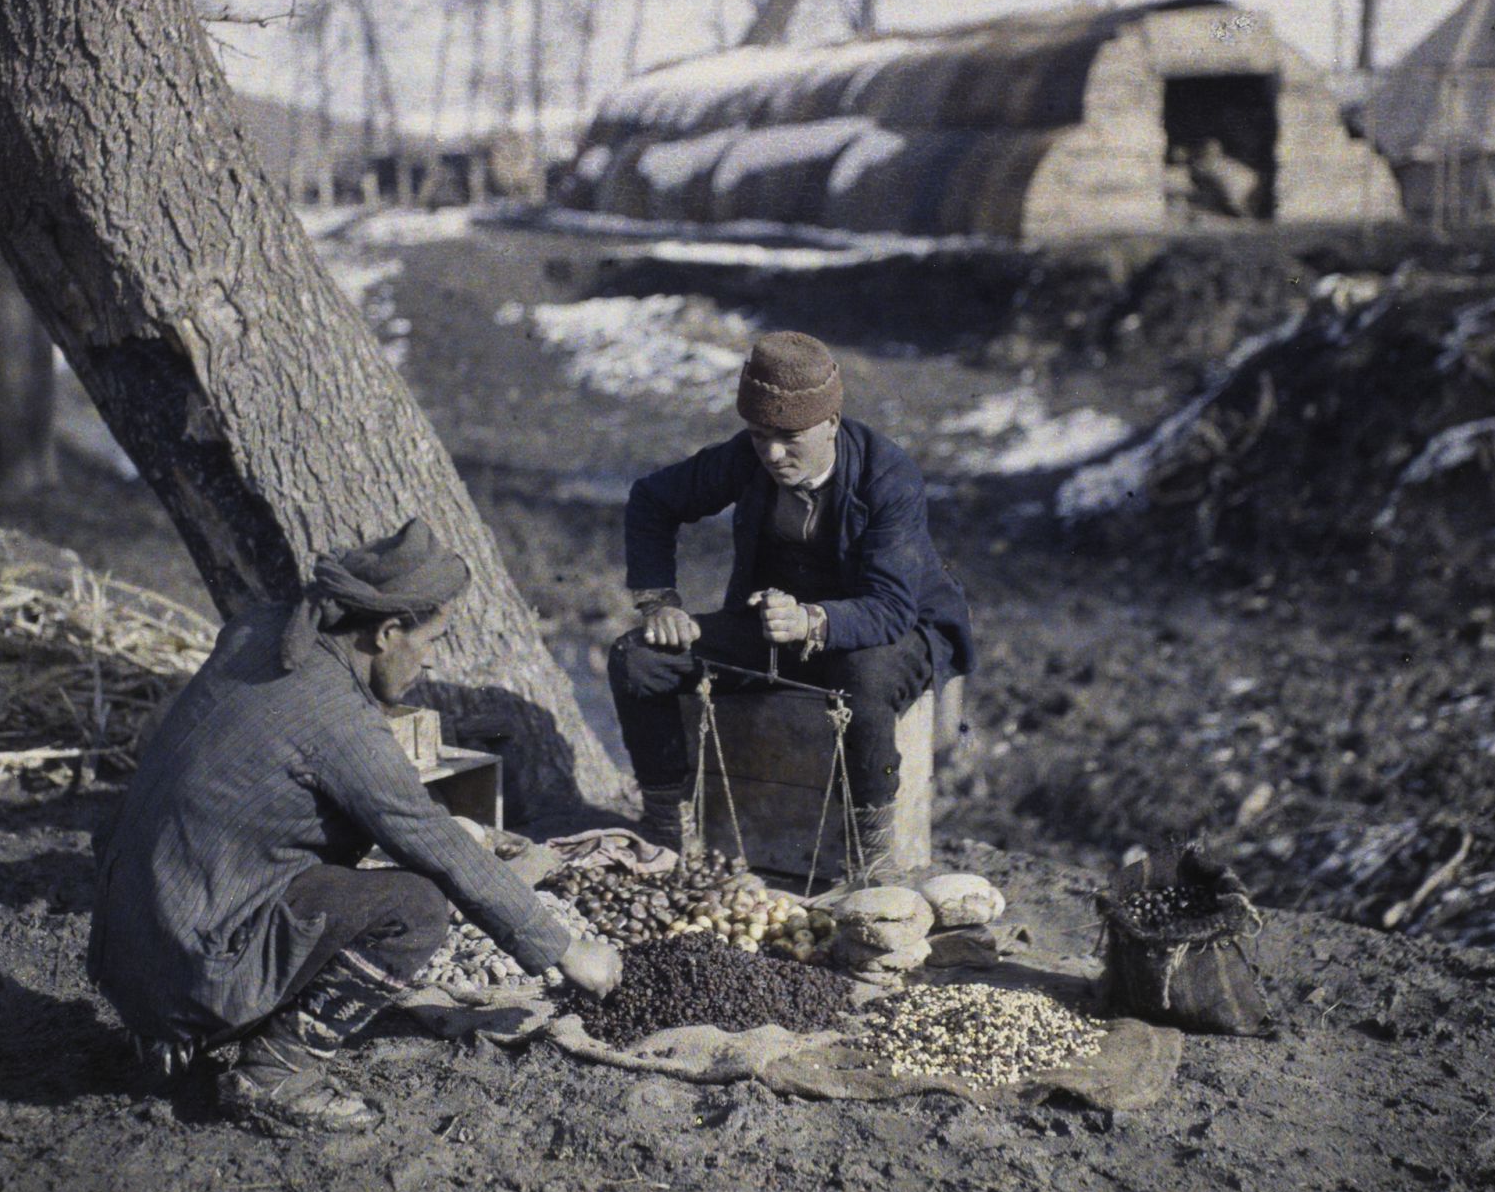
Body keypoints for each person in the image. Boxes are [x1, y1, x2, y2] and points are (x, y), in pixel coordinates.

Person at [88, 519, 622, 1134]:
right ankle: (273, 1072)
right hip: (192, 966)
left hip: (125, 945)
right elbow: (429, 839)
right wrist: (564, 949)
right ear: (388, 631)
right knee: (416, 907)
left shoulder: (260, 630)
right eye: (432, 639)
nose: (432, 661)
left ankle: (172, 1029)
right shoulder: (337, 720)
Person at [609, 331, 975, 877]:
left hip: (893, 629)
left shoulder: (888, 476)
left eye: (790, 436)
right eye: (759, 436)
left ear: (831, 421)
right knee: (638, 658)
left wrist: (812, 620)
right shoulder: (747, 458)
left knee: (864, 675)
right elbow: (652, 499)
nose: (773, 454)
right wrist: (658, 601)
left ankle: (873, 863)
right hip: (778, 627)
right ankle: (669, 837)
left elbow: (891, 607)